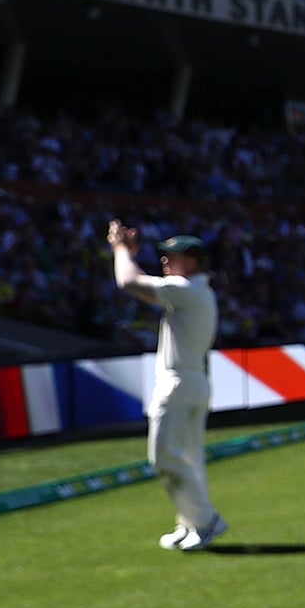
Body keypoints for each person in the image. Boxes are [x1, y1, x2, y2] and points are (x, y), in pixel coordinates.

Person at [107, 224, 228, 551]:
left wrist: (120, 248)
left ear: (192, 261)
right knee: (189, 459)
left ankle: (205, 521)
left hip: (178, 384)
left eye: (172, 256)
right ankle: (190, 523)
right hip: (194, 382)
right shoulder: (199, 291)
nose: (164, 261)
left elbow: (128, 281)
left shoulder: (185, 288)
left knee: (163, 459)